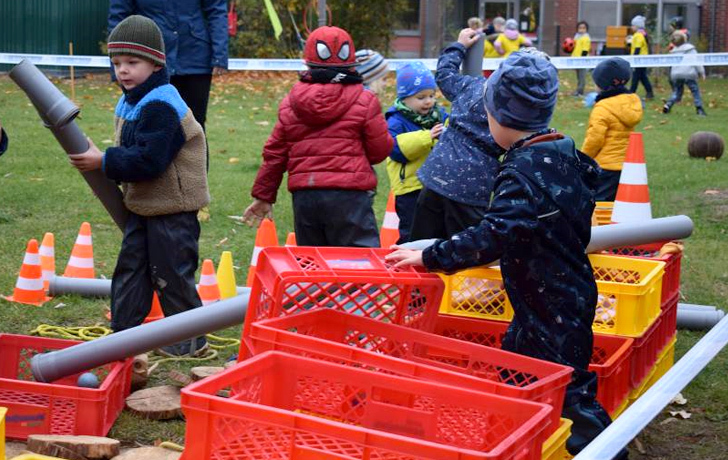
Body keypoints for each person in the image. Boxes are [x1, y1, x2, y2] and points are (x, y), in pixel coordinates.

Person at [386, 50, 626, 460]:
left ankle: (605, 450)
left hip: (553, 301)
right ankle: (518, 438)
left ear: (495, 116)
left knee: (570, 389)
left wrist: (431, 257)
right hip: (550, 294)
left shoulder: (521, 173)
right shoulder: (561, 151)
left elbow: (492, 235)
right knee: (515, 365)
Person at [68, 16, 210, 356]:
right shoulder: (131, 99)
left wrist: (104, 162)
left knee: (172, 274)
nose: (123, 71)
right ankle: (123, 333)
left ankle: (191, 340)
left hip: (173, 210)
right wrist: (108, 163)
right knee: (131, 268)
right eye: (117, 63)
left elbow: (150, 161)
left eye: (132, 62)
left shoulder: (162, 103)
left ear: (155, 62)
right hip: (144, 206)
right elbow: (132, 149)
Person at [243, 26, 393, 247]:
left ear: (307, 63)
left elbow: (275, 153)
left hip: (306, 197)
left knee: (313, 261)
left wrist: (264, 195)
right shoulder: (365, 100)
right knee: (359, 263)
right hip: (350, 196)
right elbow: (380, 151)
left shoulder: (290, 104)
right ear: (350, 62)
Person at [410, 28, 503, 240]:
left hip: (437, 175)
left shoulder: (472, 86)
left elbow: (444, 73)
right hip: (472, 186)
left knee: (420, 244)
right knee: (467, 251)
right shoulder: (514, 106)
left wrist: (459, 46)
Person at [108, 0, 228, 130]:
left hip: (195, 57)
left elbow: (217, 11)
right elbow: (118, 18)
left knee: (194, 125)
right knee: (148, 124)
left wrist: (219, 55)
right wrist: (117, 65)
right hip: (149, 60)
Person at [386, 62, 448, 243]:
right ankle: (406, 263)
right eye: (421, 97)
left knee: (437, 229)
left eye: (431, 95)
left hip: (437, 184)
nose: (428, 101)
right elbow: (394, 148)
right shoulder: (396, 121)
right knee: (412, 231)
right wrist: (427, 137)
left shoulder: (440, 116)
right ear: (404, 98)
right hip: (410, 188)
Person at [581, 57, 643, 201]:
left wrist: (583, 158)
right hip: (627, 165)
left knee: (598, 204)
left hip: (606, 166)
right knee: (620, 204)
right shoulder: (632, 101)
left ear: (604, 84)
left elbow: (595, 139)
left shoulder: (602, 107)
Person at [663, 31, 707, 117]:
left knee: (677, 91)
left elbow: (670, 64)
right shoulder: (691, 49)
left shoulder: (673, 51)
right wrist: (702, 72)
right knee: (695, 91)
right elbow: (696, 61)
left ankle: (668, 104)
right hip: (689, 73)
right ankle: (699, 108)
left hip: (676, 74)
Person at [628, 15, 654, 100]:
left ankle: (631, 92)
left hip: (639, 60)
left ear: (637, 26)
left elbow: (637, 48)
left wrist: (633, 58)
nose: (631, 27)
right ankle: (649, 92)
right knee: (642, 77)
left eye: (633, 25)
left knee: (636, 77)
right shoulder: (641, 34)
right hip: (642, 60)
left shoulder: (638, 35)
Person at [572, 21, 591, 96]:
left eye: (584, 28)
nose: (581, 29)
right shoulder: (576, 37)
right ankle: (578, 90)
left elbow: (585, 49)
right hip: (575, 59)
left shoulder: (586, 38)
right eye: (580, 28)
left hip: (582, 60)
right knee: (578, 77)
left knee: (582, 77)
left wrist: (582, 59)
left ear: (586, 29)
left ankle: (580, 91)